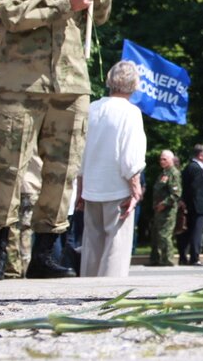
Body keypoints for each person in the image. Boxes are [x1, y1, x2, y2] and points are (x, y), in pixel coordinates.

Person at [0, 0, 112, 279]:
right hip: (23, 85)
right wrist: (64, 5)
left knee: (63, 171)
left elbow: (101, 14)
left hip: (71, 85)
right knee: (8, 169)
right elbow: (12, 14)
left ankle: (46, 253)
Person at [79, 60, 146, 277]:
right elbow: (131, 156)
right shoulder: (131, 113)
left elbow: (80, 151)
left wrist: (80, 186)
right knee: (116, 248)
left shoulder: (91, 108)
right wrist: (135, 187)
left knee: (91, 246)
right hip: (118, 187)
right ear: (134, 84)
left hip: (91, 186)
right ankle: (109, 294)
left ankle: (84, 293)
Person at [148, 149, 181, 266]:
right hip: (158, 210)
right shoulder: (163, 173)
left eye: (164, 159)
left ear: (171, 160)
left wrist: (164, 204)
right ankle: (155, 259)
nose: (161, 161)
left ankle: (168, 260)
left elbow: (176, 194)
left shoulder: (173, 174)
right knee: (156, 235)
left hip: (167, 211)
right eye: (161, 159)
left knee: (164, 235)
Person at [179, 144, 203, 266]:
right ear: (201, 156)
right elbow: (195, 189)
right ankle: (194, 258)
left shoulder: (189, 167)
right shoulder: (197, 168)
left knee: (188, 232)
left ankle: (183, 256)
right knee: (196, 232)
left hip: (191, 205)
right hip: (197, 206)